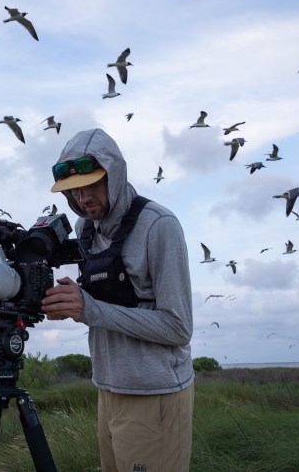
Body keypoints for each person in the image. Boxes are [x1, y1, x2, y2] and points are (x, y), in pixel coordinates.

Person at [41, 128, 194, 472]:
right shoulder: (85, 229)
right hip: (107, 388)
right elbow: (99, 305)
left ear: (115, 174)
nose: (83, 197)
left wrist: (88, 308)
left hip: (154, 393)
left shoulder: (159, 226)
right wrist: (65, 301)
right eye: (74, 190)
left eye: (93, 184)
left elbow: (179, 327)